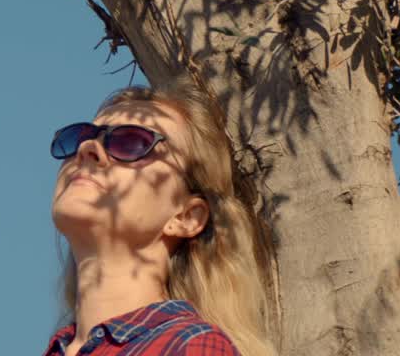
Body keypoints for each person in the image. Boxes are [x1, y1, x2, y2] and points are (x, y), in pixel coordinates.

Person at [43, 84, 275, 356]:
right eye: (79, 136)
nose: (87, 148)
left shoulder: (192, 347)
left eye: (131, 142)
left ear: (187, 217)